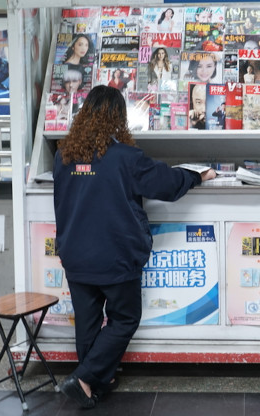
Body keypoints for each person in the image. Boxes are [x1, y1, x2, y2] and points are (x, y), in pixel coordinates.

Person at [53, 85, 215, 409]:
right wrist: (197, 176)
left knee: (87, 322)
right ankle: (84, 378)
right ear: (118, 118)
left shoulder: (63, 156)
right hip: (115, 256)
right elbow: (167, 184)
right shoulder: (125, 158)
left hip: (75, 255)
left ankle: (93, 383)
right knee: (125, 318)